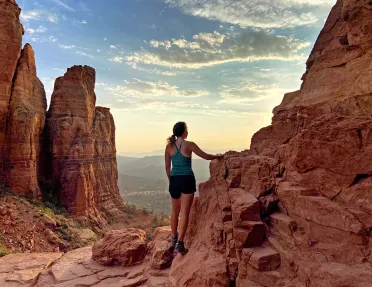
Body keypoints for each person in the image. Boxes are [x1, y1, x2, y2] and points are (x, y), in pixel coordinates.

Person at [164, 121, 223, 255]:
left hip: (174, 180)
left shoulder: (169, 147)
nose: (187, 132)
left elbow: (167, 167)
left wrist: (171, 180)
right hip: (187, 179)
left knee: (174, 211)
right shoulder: (189, 145)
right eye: (187, 129)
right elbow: (205, 156)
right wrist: (218, 156)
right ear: (184, 132)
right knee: (185, 212)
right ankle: (180, 243)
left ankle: (173, 239)